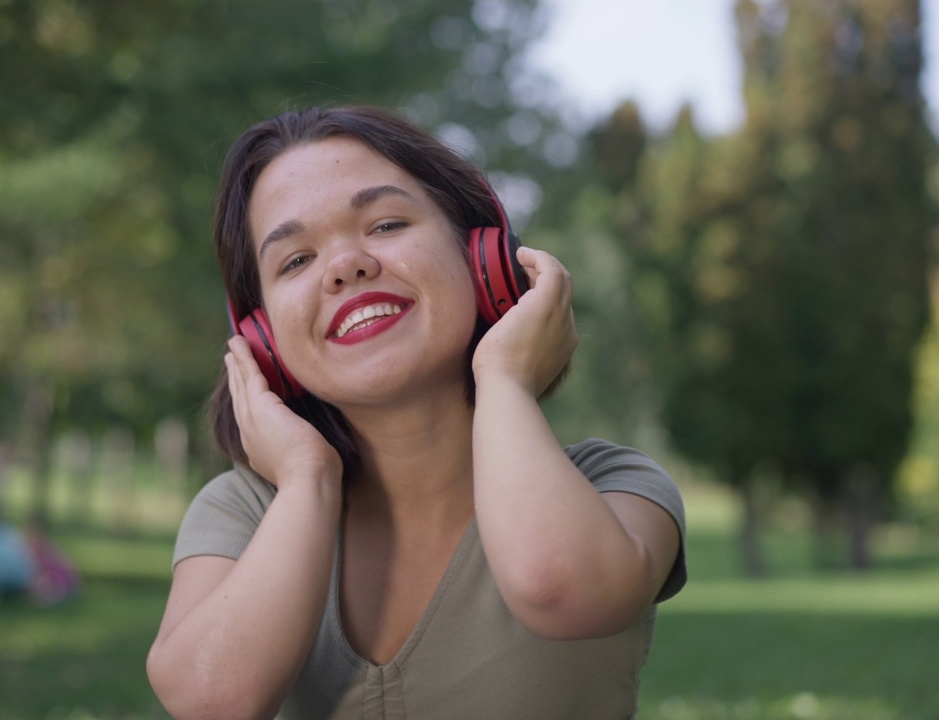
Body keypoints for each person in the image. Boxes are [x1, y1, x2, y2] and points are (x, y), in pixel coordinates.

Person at [146, 106, 687, 720]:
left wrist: (504, 379)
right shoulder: (241, 512)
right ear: (262, 340)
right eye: (295, 260)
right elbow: (212, 701)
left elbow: (558, 588)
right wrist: (306, 479)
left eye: (385, 224)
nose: (345, 265)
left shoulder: (617, 487)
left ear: (483, 259)